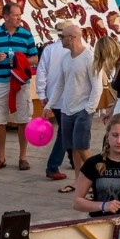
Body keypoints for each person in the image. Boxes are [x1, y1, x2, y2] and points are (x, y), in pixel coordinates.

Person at [0, 2, 40, 171]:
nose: (19, 18)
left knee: (23, 119)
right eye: (16, 15)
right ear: (6, 16)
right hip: (0, 81)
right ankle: (1, 158)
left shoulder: (26, 35)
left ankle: (23, 157)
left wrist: (21, 61)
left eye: (20, 14)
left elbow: (35, 59)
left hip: (21, 83)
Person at [46, 23, 99, 193]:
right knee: (74, 148)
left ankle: (99, 180)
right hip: (67, 109)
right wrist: (50, 105)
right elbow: (60, 84)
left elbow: (97, 86)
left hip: (83, 109)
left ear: (73, 38)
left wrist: (89, 109)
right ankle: (78, 181)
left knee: (82, 147)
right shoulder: (66, 58)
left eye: (63, 37)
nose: (60, 39)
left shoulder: (89, 58)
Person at [34, 24, 70, 182]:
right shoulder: (72, 51)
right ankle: (52, 166)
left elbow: (41, 71)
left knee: (66, 129)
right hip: (66, 97)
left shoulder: (49, 50)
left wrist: (42, 93)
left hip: (52, 97)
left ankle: (73, 159)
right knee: (65, 131)